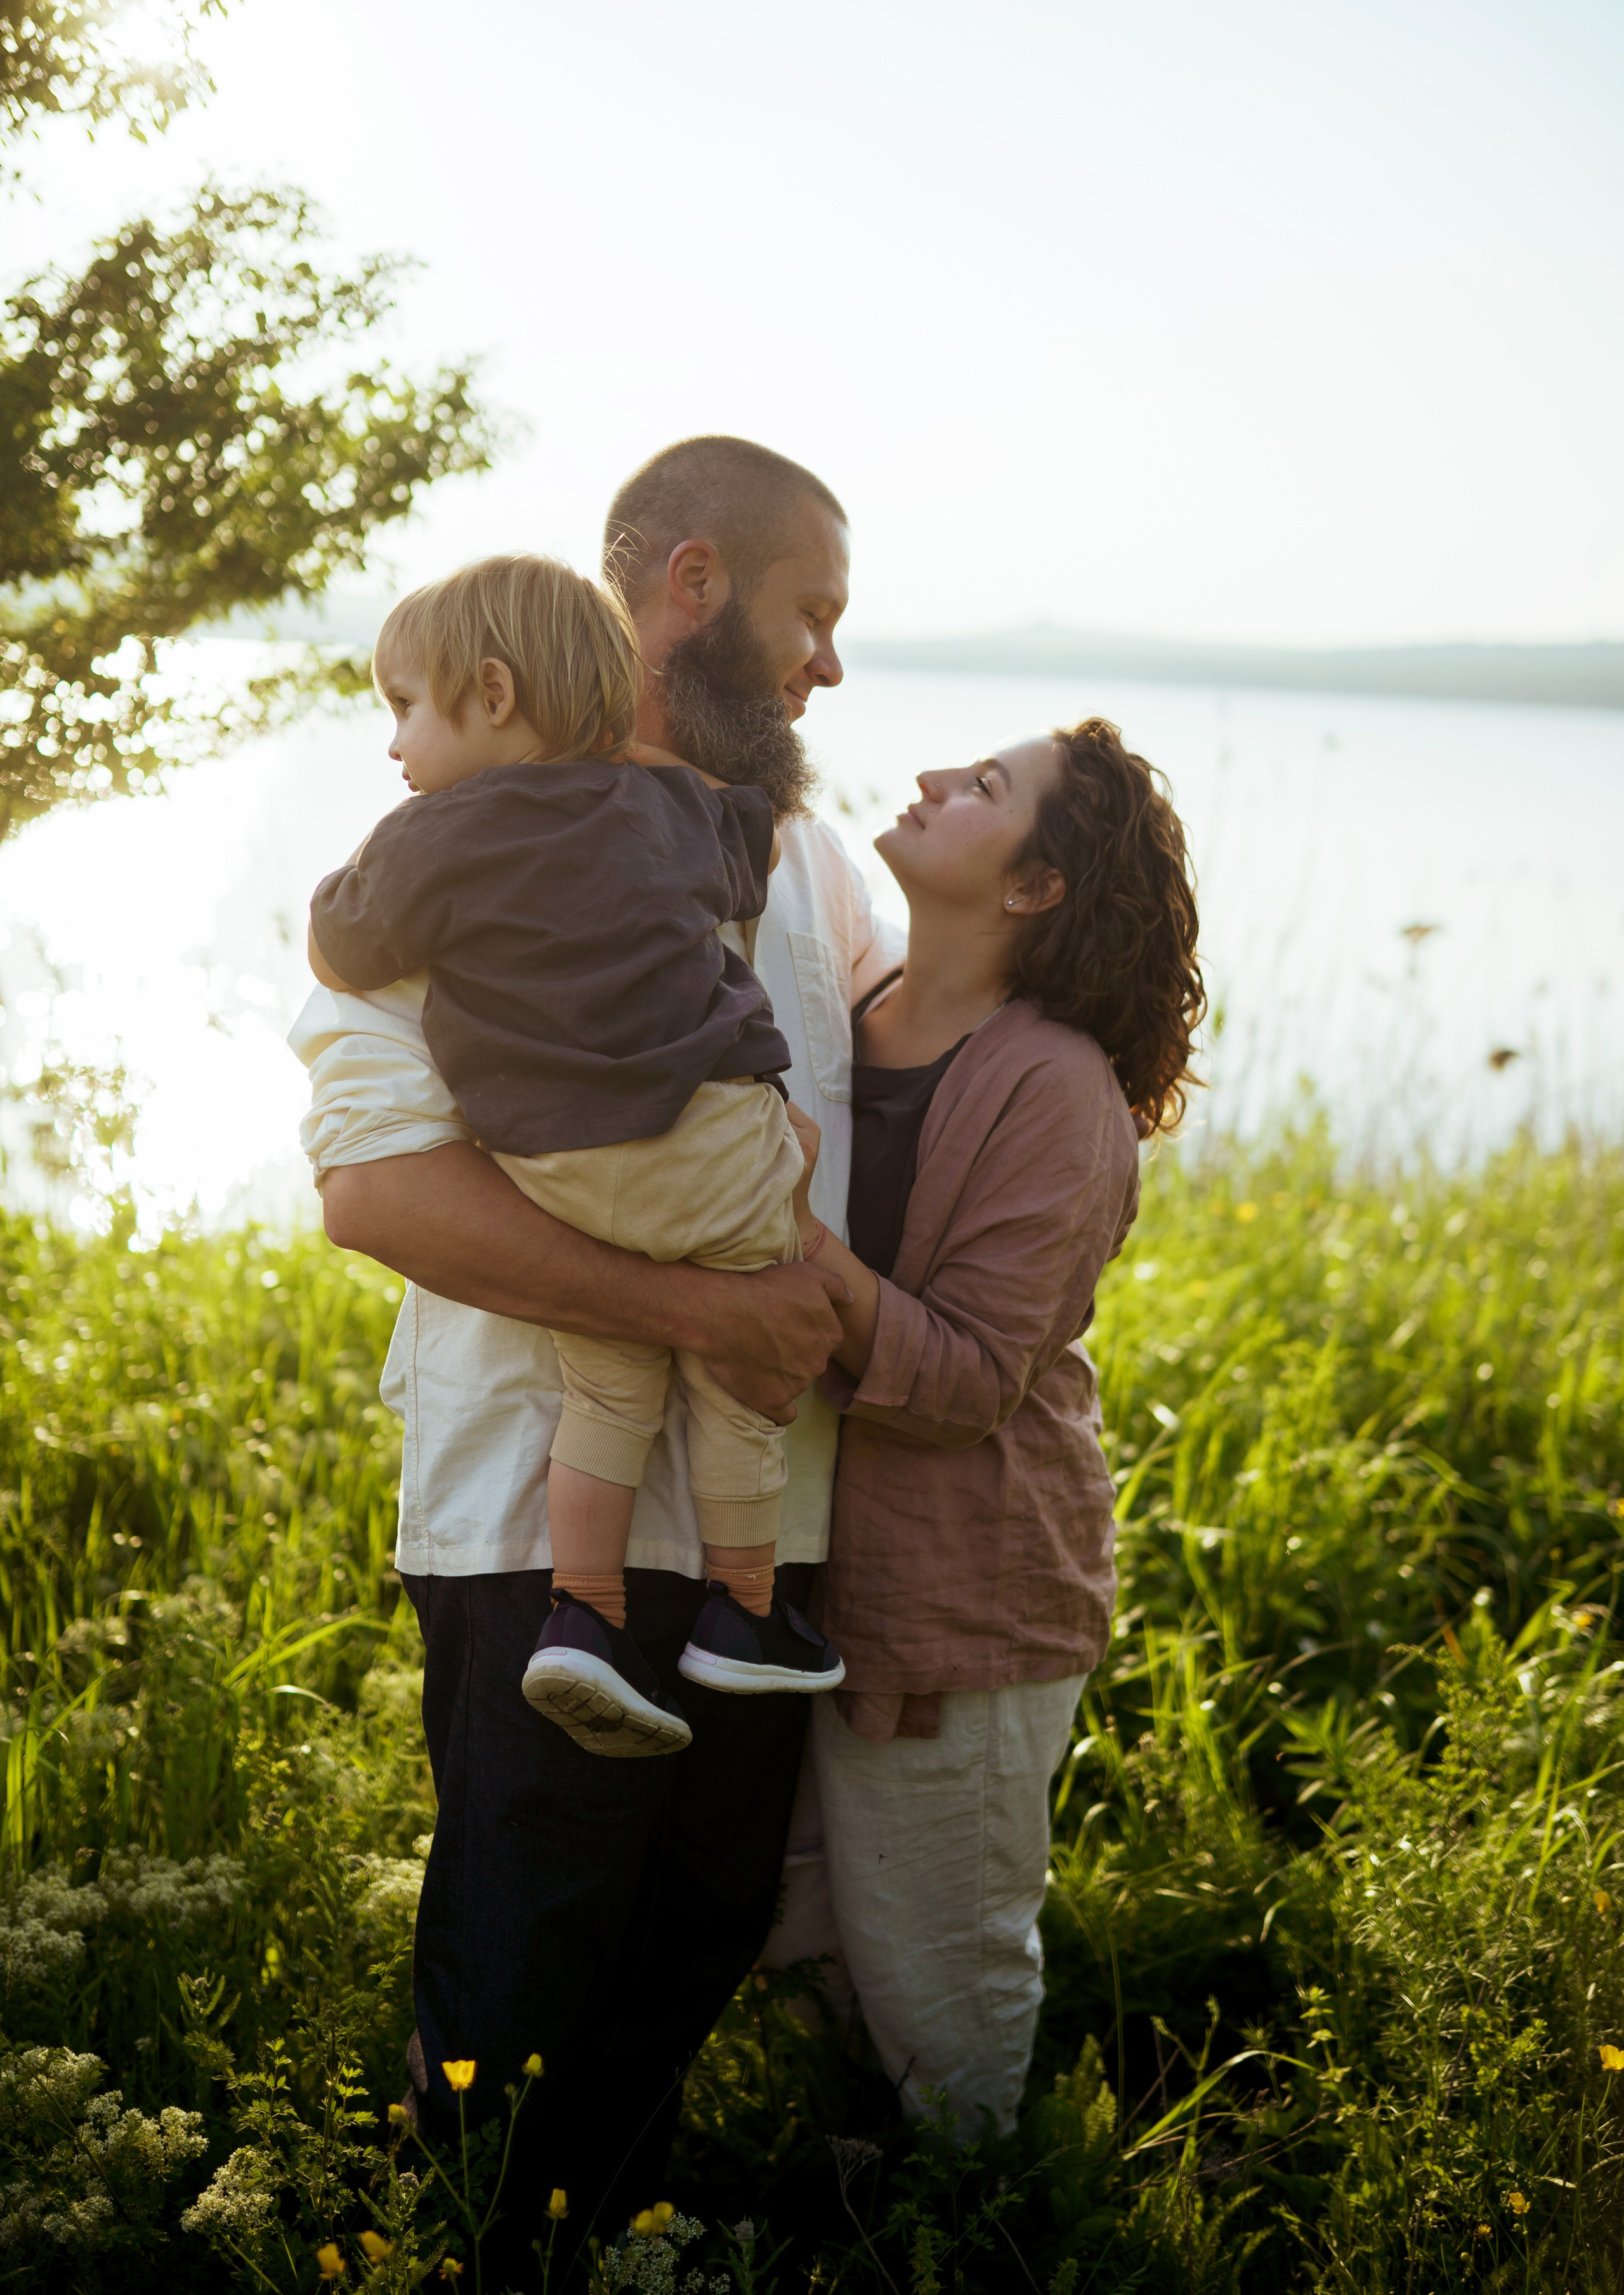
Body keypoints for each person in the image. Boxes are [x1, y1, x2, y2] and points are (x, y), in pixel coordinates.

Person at [287, 437, 899, 2247]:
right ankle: (481, 2255)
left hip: (767, 1537)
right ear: (692, 587)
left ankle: (608, 2249)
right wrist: (716, 1309)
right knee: (520, 1973)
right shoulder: (437, 847)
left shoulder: (808, 861)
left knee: (696, 1942)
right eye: (809, 615)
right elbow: (378, 1192)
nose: (829, 666)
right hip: (531, 1525)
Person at [304, 552, 843, 1758]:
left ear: (494, 695)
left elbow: (341, 948)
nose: (394, 743)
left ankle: (583, 1614)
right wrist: (638, 762)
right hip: (711, 1151)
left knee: (607, 1383)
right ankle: (748, 1611)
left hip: (559, 1175)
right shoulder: (670, 806)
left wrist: (371, 865)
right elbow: (754, 850)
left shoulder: (432, 834)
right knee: (739, 1373)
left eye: (405, 707)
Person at [783, 717, 1203, 2139]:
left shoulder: (1057, 1089)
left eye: (983, 788)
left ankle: (988, 2222)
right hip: (820, 1570)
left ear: (1033, 887)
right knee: (824, 1954)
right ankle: (860, 2202)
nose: (930, 782)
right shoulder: (854, 1007)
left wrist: (794, 1244)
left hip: (968, 1590)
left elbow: (969, 1378)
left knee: (941, 1986)